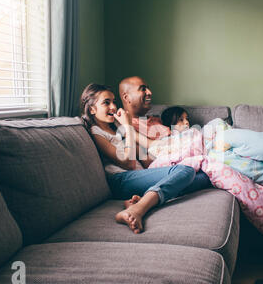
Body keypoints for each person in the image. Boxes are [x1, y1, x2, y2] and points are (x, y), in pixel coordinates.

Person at [80, 83, 208, 234]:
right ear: (92, 109)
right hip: (121, 180)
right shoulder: (96, 132)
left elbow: (143, 157)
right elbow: (127, 163)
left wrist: (167, 160)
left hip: (138, 176)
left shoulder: (116, 126)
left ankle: (144, 197)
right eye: (106, 103)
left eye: (114, 101)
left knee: (204, 177)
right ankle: (138, 209)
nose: (113, 107)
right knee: (185, 171)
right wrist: (127, 127)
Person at [118, 76, 212, 191]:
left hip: (189, 150)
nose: (149, 92)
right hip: (171, 165)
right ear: (127, 97)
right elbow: (148, 162)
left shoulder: (157, 119)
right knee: (205, 175)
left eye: (148, 88)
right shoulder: (126, 126)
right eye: (143, 89)